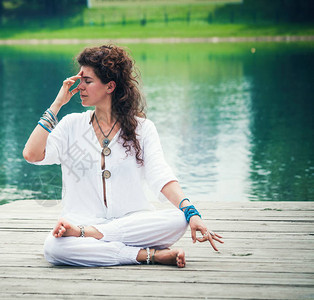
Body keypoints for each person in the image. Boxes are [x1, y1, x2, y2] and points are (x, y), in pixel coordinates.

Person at [23, 44, 223, 267]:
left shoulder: (143, 129)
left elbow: (161, 175)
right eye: (80, 80)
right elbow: (31, 154)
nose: (80, 87)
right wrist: (57, 104)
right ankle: (147, 255)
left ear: (110, 86)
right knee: (54, 248)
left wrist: (191, 212)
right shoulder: (71, 126)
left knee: (179, 219)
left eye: (87, 81)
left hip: (129, 223)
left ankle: (92, 235)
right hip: (82, 221)